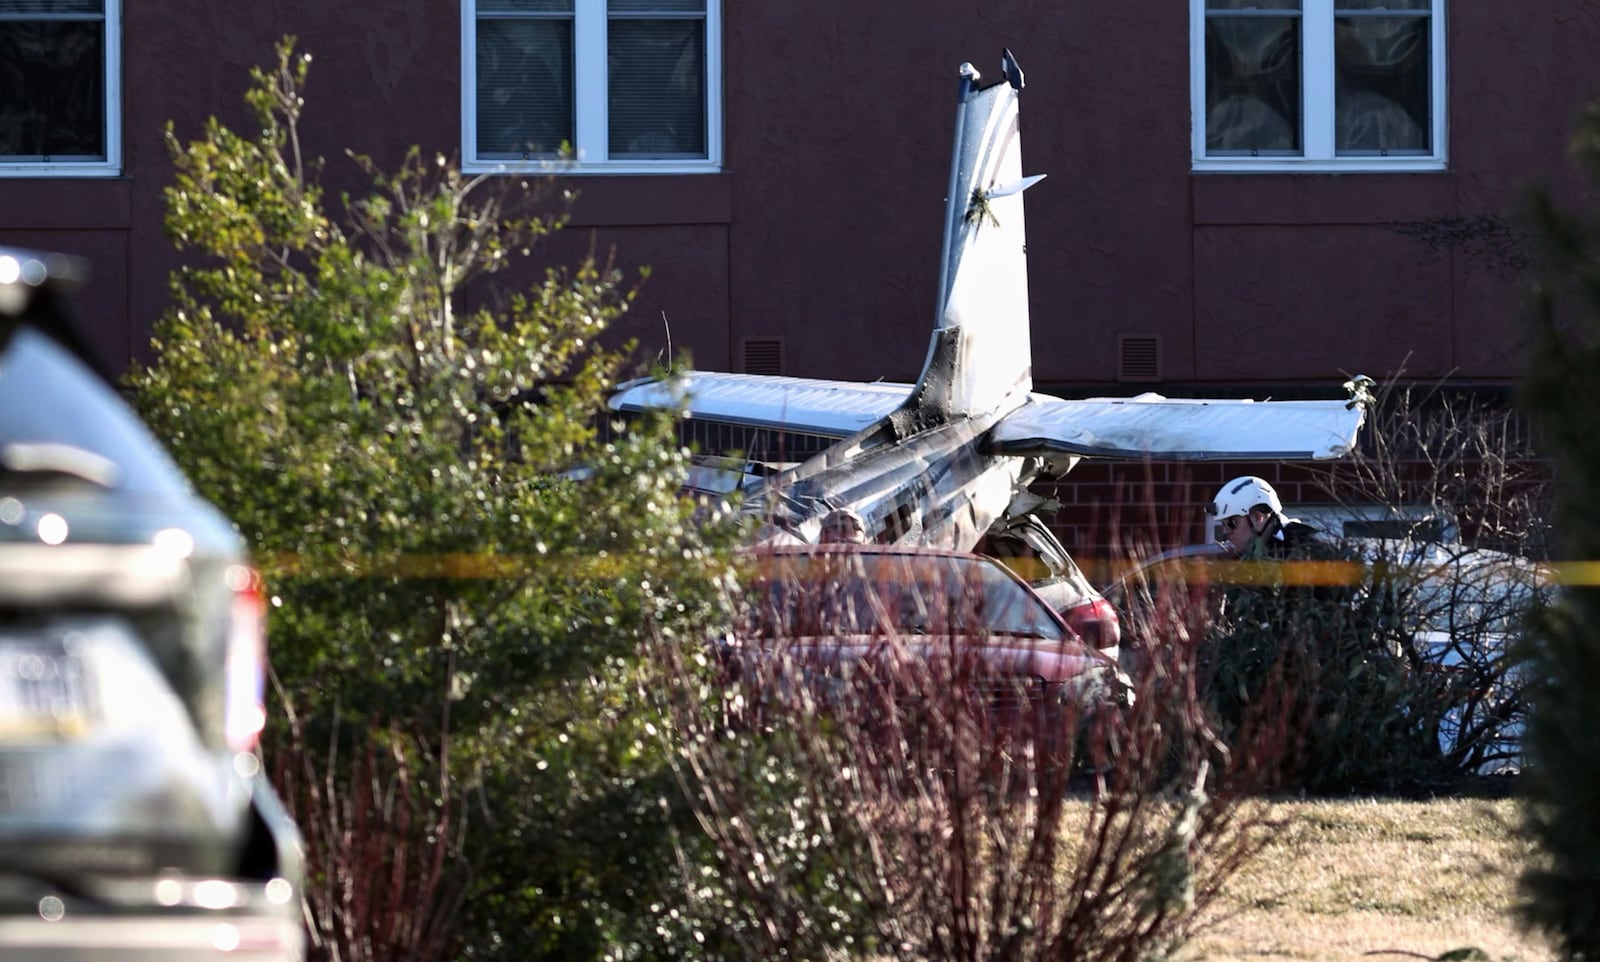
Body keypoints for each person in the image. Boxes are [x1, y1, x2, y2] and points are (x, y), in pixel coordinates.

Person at [1206, 475, 1324, 558]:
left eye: (1233, 523)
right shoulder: (1246, 556)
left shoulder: (1306, 549)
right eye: (1223, 524)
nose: (1226, 531)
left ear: (1258, 518)